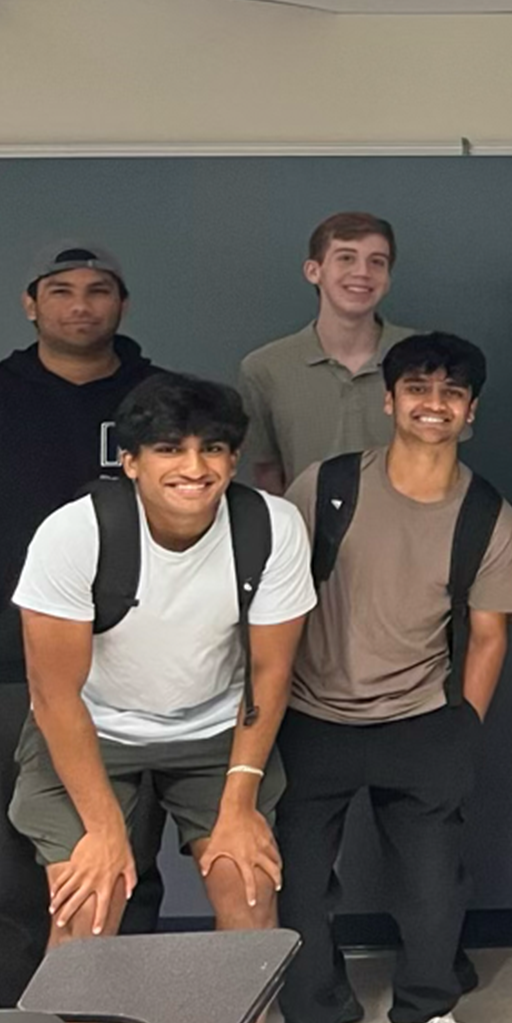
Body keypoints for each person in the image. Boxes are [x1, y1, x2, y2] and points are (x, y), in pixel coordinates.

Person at [9, 374, 314, 946]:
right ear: (130, 462)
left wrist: (240, 801)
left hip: (215, 729)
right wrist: (102, 829)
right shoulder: (75, 533)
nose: (194, 468)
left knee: (249, 894)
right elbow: (54, 695)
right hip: (92, 727)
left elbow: (271, 675)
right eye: (170, 449)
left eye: (213, 449)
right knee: (88, 907)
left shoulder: (272, 527)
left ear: (234, 458)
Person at [276, 334, 512, 1023]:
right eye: (418, 388)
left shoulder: (489, 517)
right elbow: (273, 607)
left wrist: (461, 728)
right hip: (310, 716)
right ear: (389, 400)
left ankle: (426, 1005)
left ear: (470, 412)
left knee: (431, 889)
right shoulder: (325, 488)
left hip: (420, 721)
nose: (433, 404)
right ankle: (317, 1007)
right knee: (297, 886)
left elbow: (485, 637)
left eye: (451, 392)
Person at [1, 245, 164, 1001]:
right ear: (31, 304)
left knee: (126, 859)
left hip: (132, 672)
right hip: (9, 669)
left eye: (99, 289)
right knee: (15, 865)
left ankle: (120, 1006)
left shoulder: (160, 401)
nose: (80, 304)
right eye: (60, 291)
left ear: (122, 304)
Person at [239, 213, 415, 495]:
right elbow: (265, 469)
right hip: (307, 534)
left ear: (388, 278)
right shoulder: (264, 368)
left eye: (377, 262)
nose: (362, 272)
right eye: (346, 257)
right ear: (313, 271)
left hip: (411, 535)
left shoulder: (427, 361)